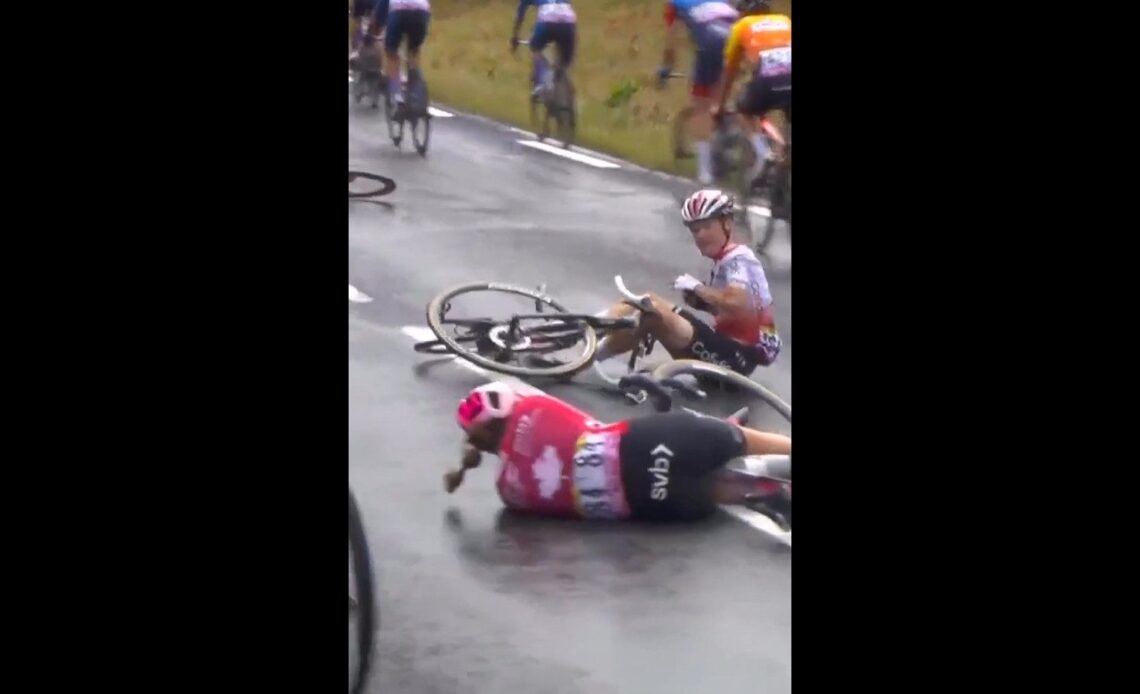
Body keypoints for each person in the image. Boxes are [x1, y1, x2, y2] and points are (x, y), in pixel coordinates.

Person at [445, 382, 791, 522]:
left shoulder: (508, 492)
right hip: (643, 442)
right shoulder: (532, 407)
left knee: (706, 487)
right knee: (734, 437)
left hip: (646, 500)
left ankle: (763, 493)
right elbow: (588, 424)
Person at [592, 188, 781, 376]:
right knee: (645, 300)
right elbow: (739, 315)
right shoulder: (726, 260)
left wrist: (697, 288)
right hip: (727, 345)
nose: (699, 235)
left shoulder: (738, 259)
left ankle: (589, 358)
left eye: (706, 227)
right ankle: (583, 332)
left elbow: (738, 303)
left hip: (738, 356)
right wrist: (702, 303)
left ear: (727, 223)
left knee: (653, 315)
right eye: (694, 229)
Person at [658, 0, 740, 185]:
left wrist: (666, 68)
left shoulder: (676, 4)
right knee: (721, 92)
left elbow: (671, 43)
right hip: (737, 33)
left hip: (711, 41)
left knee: (700, 105)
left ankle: (705, 173)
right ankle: (732, 131)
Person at [715, 0, 791, 189]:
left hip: (767, 76)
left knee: (745, 110)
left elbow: (729, 71)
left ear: (744, 12)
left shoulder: (741, 26)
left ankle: (763, 153)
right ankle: (782, 190)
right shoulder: (784, 20)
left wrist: (720, 105)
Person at [369, 0, 432, 107]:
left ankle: (396, 94)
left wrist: (375, 29)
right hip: (422, 12)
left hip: (399, 12)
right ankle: (416, 88)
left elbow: (380, 11)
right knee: (414, 51)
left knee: (391, 53)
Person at [510, 0, 578, 99]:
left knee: (535, 47)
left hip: (547, 22)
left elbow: (520, 17)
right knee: (565, 60)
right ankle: (566, 87)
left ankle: (542, 84)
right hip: (569, 23)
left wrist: (515, 37)